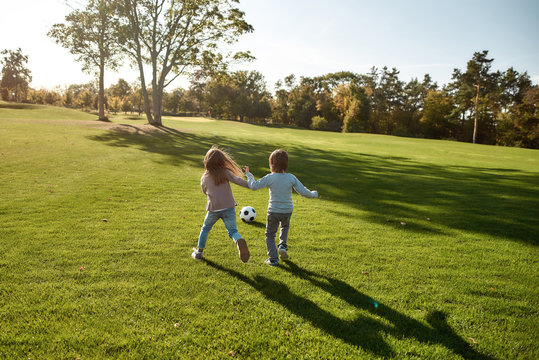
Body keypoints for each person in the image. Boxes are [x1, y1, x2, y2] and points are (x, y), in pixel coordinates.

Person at [244, 149, 318, 266]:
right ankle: (282, 245)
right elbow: (303, 192)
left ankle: (273, 259)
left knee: (270, 235)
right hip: (287, 210)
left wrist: (249, 175)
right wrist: (314, 194)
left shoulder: (270, 177)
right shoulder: (291, 177)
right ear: (286, 164)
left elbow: (253, 186)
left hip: (273, 211)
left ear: (271, 164)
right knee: (285, 226)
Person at [192, 146, 250, 263]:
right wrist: (251, 184)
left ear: (207, 161)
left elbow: (204, 191)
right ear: (222, 161)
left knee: (206, 228)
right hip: (228, 207)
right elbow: (238, 181)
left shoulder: (205, 177)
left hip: (213, 209)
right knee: (233, 231)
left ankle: (199, 252)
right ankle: (238, 240)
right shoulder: (225, 173)